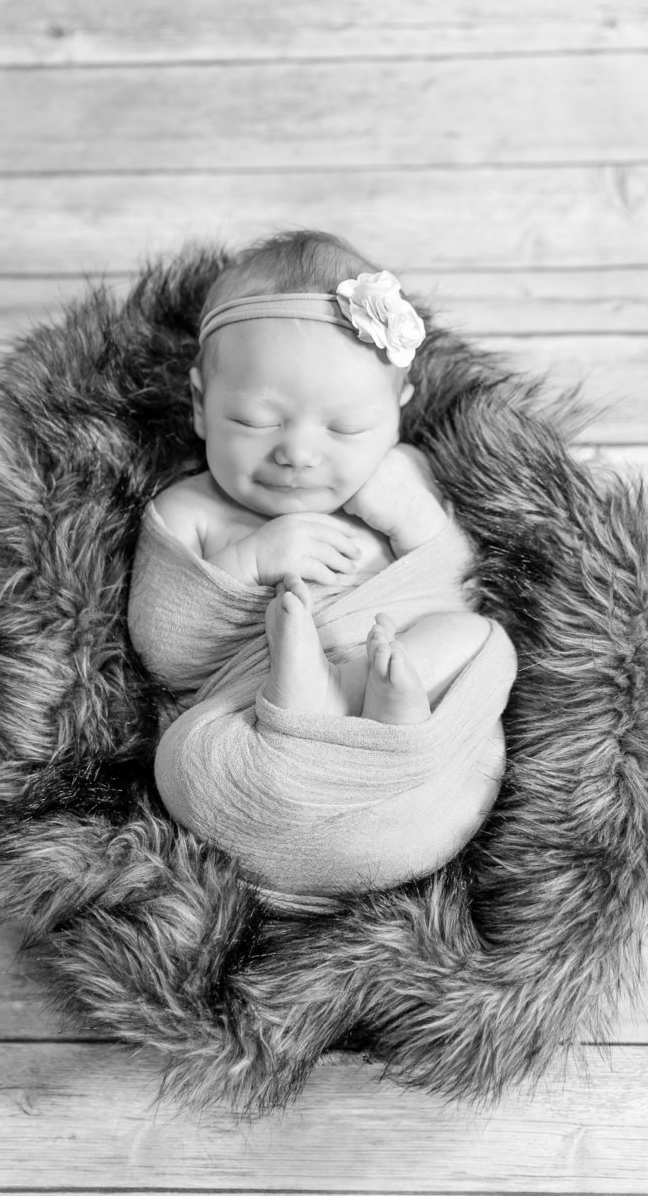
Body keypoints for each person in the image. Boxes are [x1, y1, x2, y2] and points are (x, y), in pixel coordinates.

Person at [128, 230, 517, 911]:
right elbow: (168, 650)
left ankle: (381, 701)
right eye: (254, 420)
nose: (300, 454)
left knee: (480, 640)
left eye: (344, 430)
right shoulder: (190, 511)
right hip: (255, 738)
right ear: (199, 405)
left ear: (399, 411)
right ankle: (309, 702)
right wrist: (250, 561)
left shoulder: (405, 479)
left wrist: (419, 527)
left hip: (410, 792)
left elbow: (462, 583)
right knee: (186, 767)